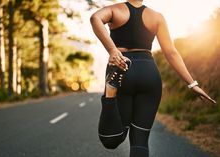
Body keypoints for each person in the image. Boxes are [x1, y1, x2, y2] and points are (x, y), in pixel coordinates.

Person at [90, 0, 216, 156]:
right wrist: (192, 84)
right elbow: (171, 52)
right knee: (140, 141)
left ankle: (110, 94)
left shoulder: (116, 10)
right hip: (149, 73)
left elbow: (95, 18)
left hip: (122, 69)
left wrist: (113, 51)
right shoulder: (157, 17)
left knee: (112, 139)